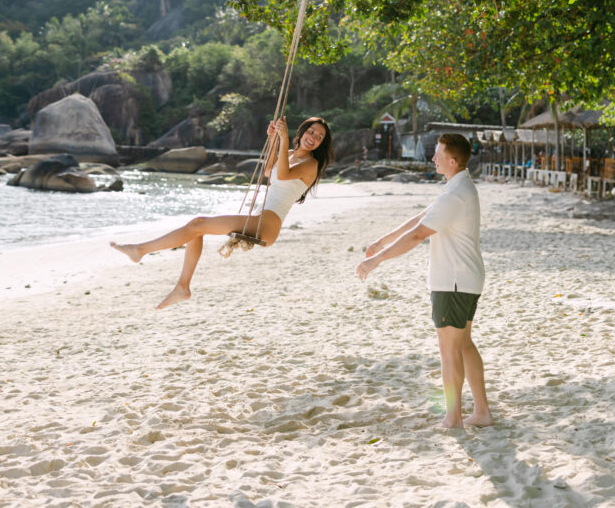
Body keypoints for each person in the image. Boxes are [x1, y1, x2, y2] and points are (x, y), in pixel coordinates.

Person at [112, 115, 332, 309]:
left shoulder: (312, 164)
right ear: (302, 131)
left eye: (319, 137)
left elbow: (283, 175)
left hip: (268, 224)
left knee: (197, 224)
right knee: (196, 229)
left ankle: (140, 250)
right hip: (260, 217)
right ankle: (182, 287)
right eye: (311, 131)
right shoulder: (291, 153)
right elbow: (268, 171)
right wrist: (274, 139)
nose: (313, 137)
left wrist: (283, 140)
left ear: (321, 144)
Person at [356, 133, 492, 430]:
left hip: (453, 282)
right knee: (464, 345)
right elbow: (422, 218)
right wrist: (382, 241)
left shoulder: (455, 195)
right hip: (463, 279)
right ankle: (481, 412)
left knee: (449, 351)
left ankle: (453, 419)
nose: (433, 158)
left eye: (438, 154)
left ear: (452, 162)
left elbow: (418, 235)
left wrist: (375, 261)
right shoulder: (457, 188)